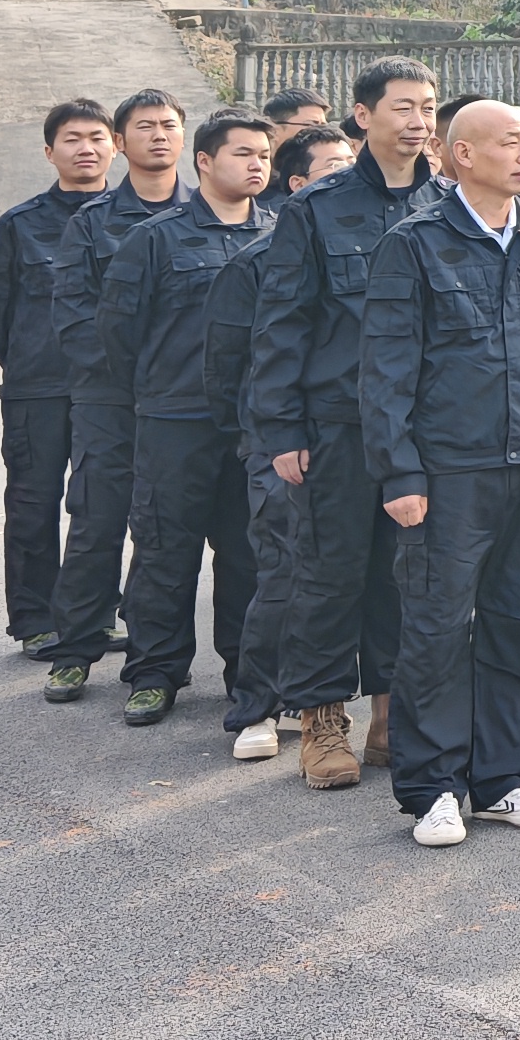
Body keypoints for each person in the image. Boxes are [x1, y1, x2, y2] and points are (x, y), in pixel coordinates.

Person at [363, 100, 520, 848]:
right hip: (450, 470)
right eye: (510, 143)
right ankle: (434, 787)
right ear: (461, 155)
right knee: (436, 627)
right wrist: (400, 473)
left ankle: (505, 778)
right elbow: (386, 369)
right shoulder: (416, 244)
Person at [241, 57, 444, 791]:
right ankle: (323, 720)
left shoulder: (449, 203)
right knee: (327, 574)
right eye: (403, 107)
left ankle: (390, 716)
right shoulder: (316, 209)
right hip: (337, 425)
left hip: (425, 429)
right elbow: (282, 324)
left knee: (409, 577)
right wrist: (282, 429)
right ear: (363, 117)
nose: (419, 121)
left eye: (428, 107)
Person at [83, 107, 283, 727]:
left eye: (264, 155)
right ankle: (154, 672)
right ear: (204, 161)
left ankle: (247, 676)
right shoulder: (156, 238)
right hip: (176, 419)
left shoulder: (282, 235)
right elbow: (118, 332)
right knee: (165, 548)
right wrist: (157, 392)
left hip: (252, 424)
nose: (257, 165)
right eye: (243, 154)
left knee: (250, 554)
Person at [37, 89, 190, 701]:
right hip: (110, 399)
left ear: (187, 140)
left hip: (184, 406)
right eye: (145, 127)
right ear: (121, 143)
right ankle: (75, 648)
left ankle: (153, 664)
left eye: (169, 125)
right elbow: (74, 315)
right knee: (96, 521)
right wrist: (133, 375)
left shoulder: (205, 214)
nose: (159, 135)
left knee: (165, 533)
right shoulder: (91, 222)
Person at [208, 120, 353, 758]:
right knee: (284, 572)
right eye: (332, 168)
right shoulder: (256, 262)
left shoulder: (382, 244)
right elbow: (227, 366)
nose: (348, 177)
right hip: (280, 440)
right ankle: (256, 707)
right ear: (299, 186)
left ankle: (324, 703)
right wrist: (264, 436)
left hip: (349, 436)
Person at [0, 97, 114, 655]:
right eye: (72, 139)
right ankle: (35, 618)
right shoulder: (19, 225)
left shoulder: (135, 219)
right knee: (33, 504)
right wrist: (26, 362)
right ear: (49, 152)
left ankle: (95, 615)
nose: (86, 149)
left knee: (101, 505)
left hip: (109, 389)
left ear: (115, 147)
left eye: (97, 138)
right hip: (37, 387)